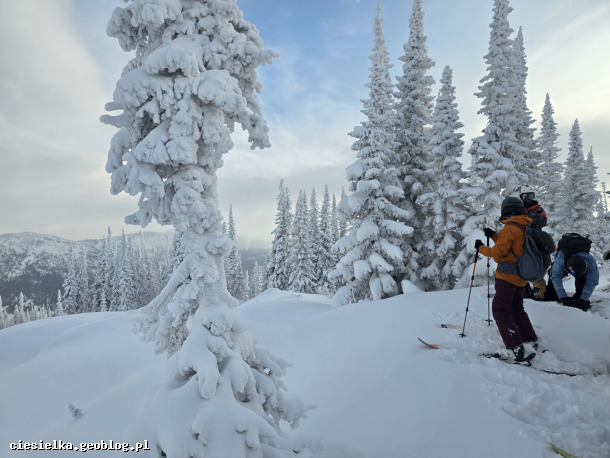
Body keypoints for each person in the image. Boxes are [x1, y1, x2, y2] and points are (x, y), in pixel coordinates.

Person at [475, 196, 538, 361]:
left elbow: (498, 254)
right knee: (517, 309)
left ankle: (515, 347)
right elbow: (512, 246)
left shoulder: (510, 228)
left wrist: (481, 248)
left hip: (507, 276)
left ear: (506, 210)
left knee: (500, 309)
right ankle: (529, 339)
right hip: (520, 276)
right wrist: (494, 236)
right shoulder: (523, 225)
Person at [519, 185, 548, 299]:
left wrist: (532, 219)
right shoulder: (518, 209)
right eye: (525, 196)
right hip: (521, 239)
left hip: (535, 239)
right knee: (520, 263)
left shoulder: (538, 209)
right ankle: (523, 288)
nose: (528, 199)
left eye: (530, 196)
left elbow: (542, 221)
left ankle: (540, 292)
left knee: (536, 263)